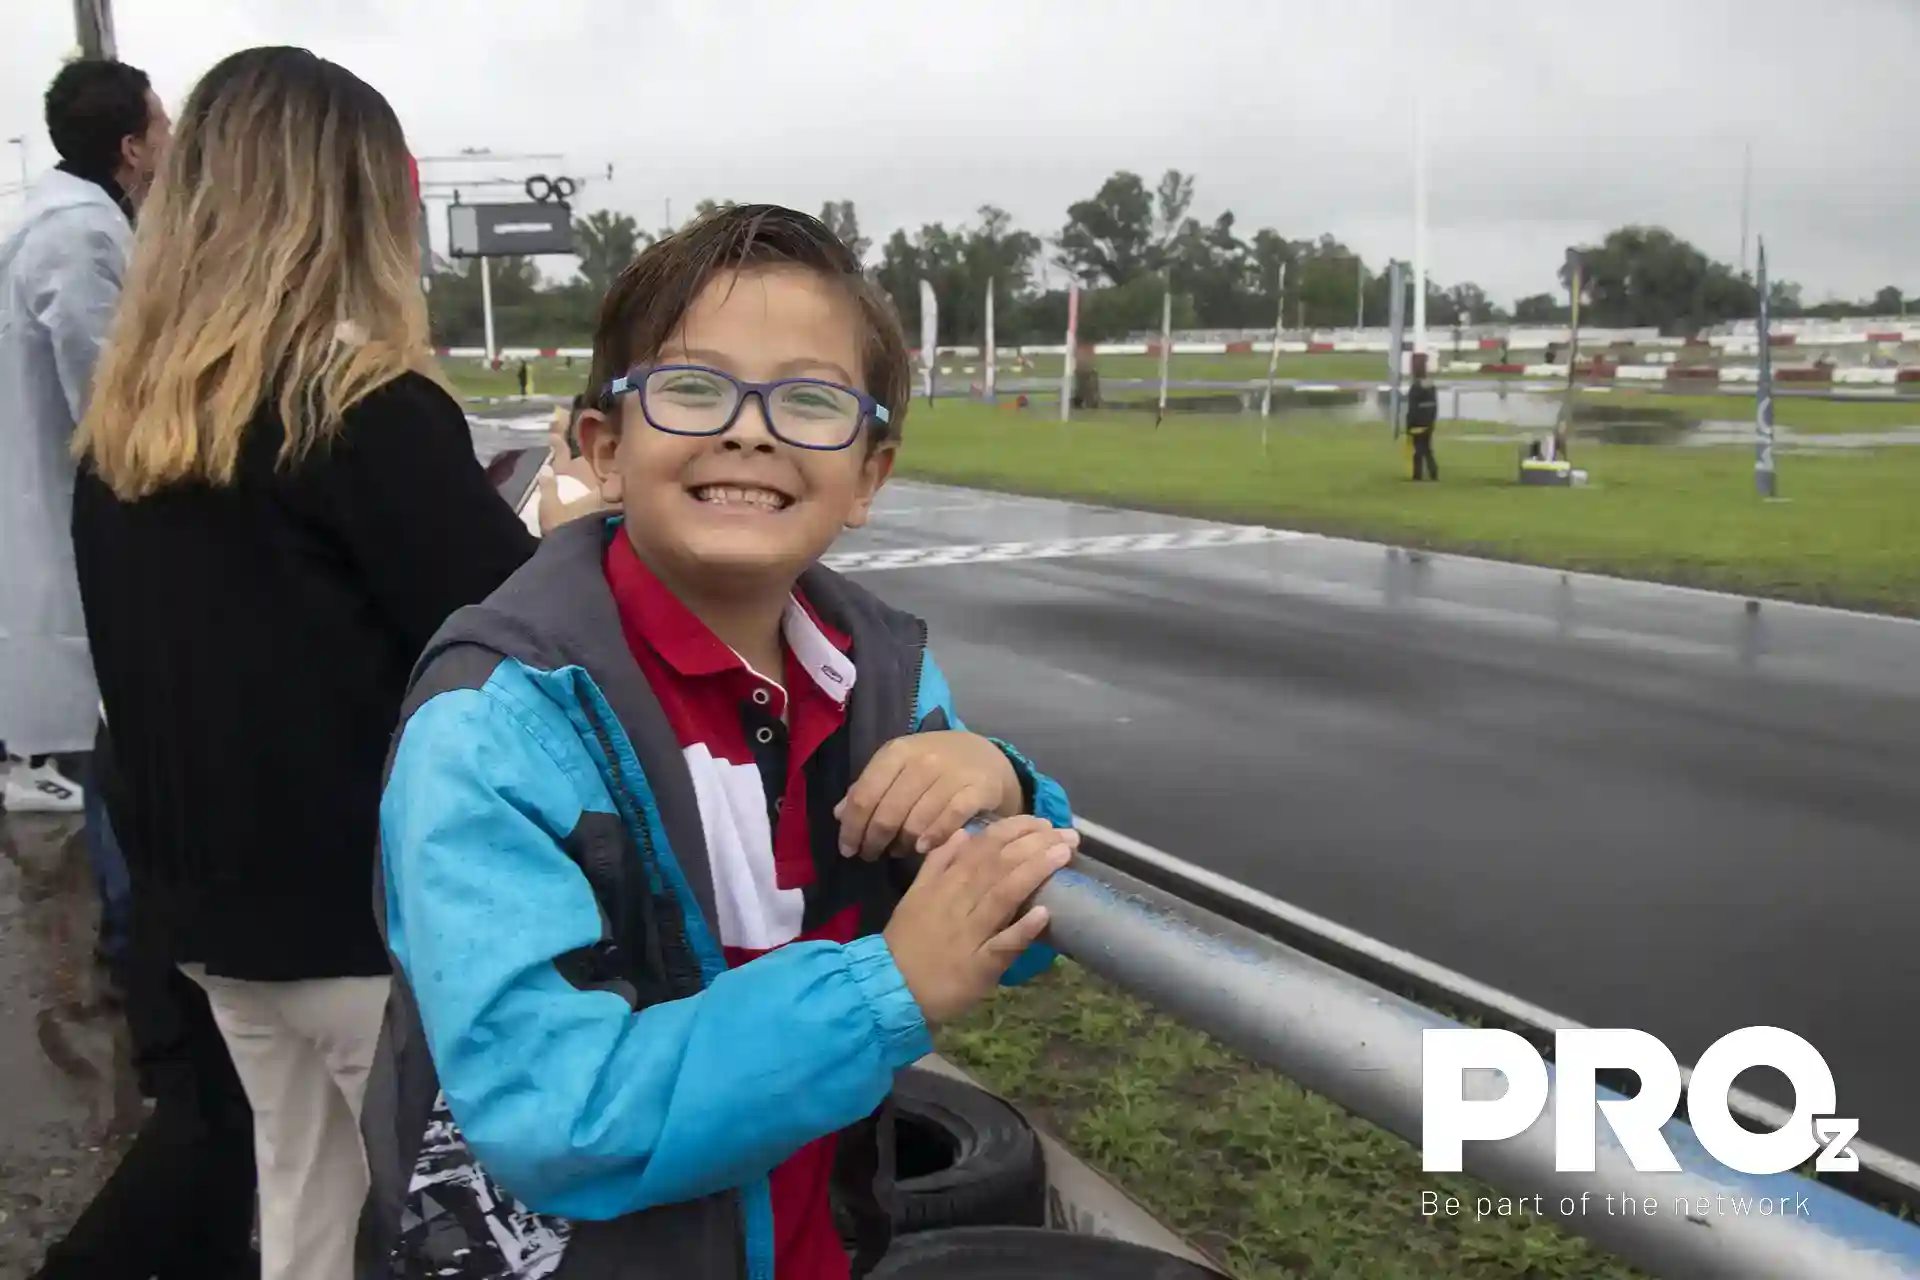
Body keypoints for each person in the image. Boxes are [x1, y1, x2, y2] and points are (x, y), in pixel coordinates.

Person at [359, 204, 1076, 1280]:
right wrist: (887, 991)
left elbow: (1023, 932)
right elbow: (551, 1110)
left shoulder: (882, 676)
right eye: (695, 388)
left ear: (870, 474)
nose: (751, 430)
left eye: (810, 399)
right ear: (605, 448)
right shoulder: (496, 721)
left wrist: (1004, 787)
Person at [70, 47, 540, 1280]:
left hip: (211, 914)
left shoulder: (123, 434)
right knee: (475, 1234)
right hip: (365, 917)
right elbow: (510, 635)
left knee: (304, 1205)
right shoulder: (362, 408)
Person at [0, 61, 166, 971]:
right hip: (89, 523)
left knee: (111, 730)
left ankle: (132, 931)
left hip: (76, 519)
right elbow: (110, 397)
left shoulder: (73, 219)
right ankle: (134, 944)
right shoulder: (77, 234)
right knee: (115, 735)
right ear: (131, 148)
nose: (172, 141)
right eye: (162, 126)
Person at [1406, 358, 1439, 481]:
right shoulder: (1432, 388)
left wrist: (1409, 425)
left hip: (1417, 423)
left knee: (1418, 450)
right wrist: (1432, 421)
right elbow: (1435, 406)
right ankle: (1433, 471)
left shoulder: (1415, 388)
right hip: (1428, 422)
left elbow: (1412, 408)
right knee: (1427, 448)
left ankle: (1417, 475)